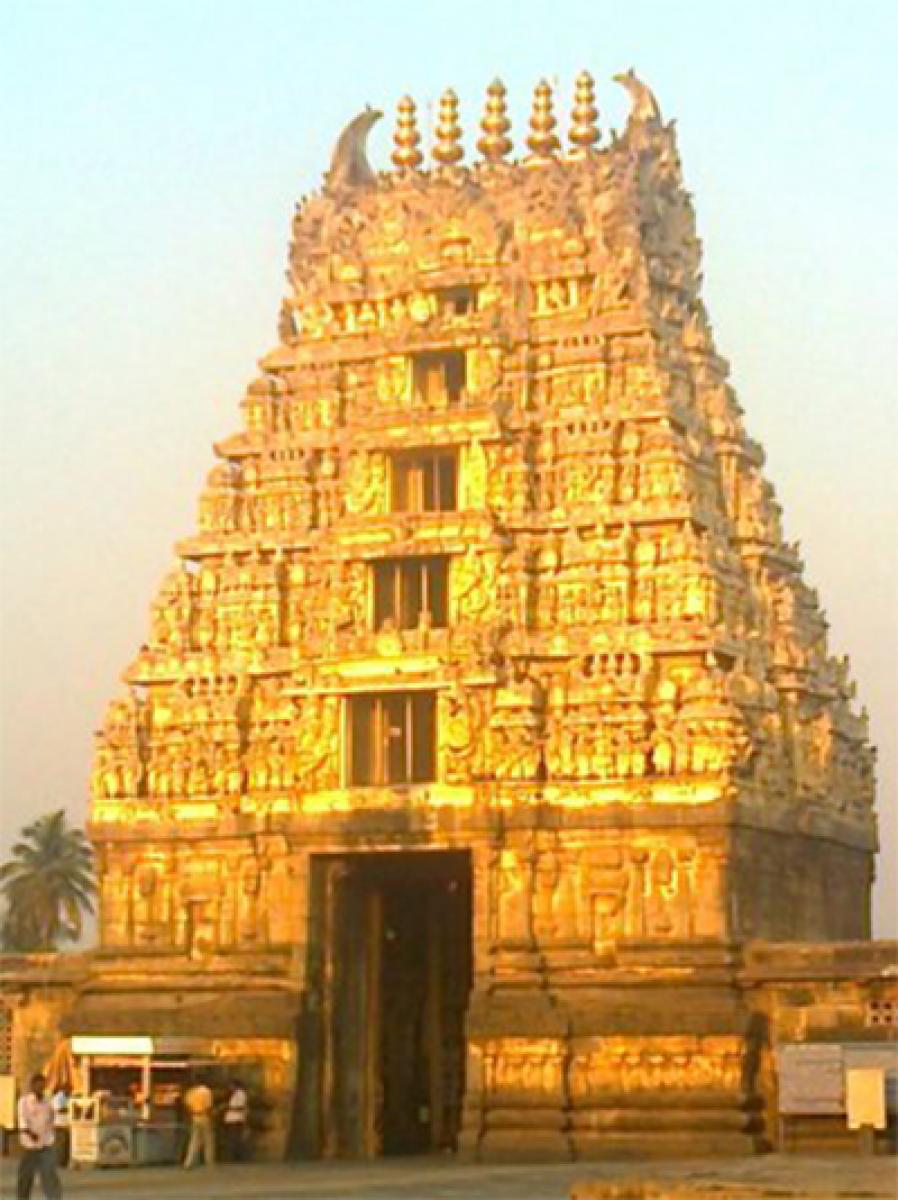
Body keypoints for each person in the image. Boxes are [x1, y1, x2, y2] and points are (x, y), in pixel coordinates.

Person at [17, 1073, 62, 1200]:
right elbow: (22, 1123)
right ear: (32, 1086)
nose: (40, 1088)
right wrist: (31, 1134)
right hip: (29, 1146)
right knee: (26, 1177)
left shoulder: (48, 1101)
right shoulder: (24, 1102)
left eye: (42, 1085)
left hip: (46, 1144)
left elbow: (54, 1117)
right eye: (37, 1085)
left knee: (49, 1175)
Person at [182, 1076, 215, 1168]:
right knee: (208, 1140)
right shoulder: (206, 1091)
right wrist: (211, 1117)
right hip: (204, 1116)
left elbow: (187, 1105)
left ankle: (188, 1162)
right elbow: (209, 1106)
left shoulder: (191, 1092)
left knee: (194, 1140)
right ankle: (209, 1161)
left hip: (194, 1116)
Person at [221, 1077, 249, 1162]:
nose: (230, 1087)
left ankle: (235, 1157)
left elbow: (241, 1106)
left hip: (236, 1120)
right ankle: (231, 1156)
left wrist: (228, 1107)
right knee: (231, 1139)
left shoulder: (241, 1094)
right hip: (231, 1119)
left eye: (231, 1085)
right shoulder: (233, 1094)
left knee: (234, 1139)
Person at [49, 1087, 70, 1169]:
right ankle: (58, 1162)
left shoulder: (67, 1097)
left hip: (66, 1124)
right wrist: (71, 1109)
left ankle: (64, 1162)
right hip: (59, 1124)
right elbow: (58, 1109)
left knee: (65, 1145)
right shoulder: (58, 1098)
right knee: (60, 1144)